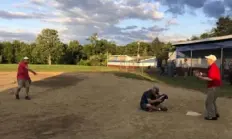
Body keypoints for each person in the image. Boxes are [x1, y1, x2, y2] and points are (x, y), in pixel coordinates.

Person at [195, 54, 221, 120]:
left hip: (213, 87)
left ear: (211, 60)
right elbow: (208, 74)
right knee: (212, 101)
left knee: (208, 102)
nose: (207, 60)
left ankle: (212, 116)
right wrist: (201, 74)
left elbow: (210, 78)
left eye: (208, 59)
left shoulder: (213, 67)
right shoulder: (212, 66)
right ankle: (215, 113)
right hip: (216, 87)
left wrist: (200, 77)